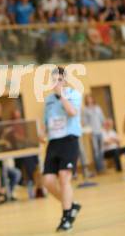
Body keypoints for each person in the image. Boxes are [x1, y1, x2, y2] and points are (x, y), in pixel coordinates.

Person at [41, 67, 82, 232]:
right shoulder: (49, 100)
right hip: (53, 142)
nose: (56, 83)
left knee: (64, 178)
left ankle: (66, 217)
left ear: (64, 80)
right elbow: (46, 120)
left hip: (69, 140)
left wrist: (62, 95)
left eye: (59, 80)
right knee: (48, 181)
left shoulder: (74, 94)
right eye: (54, 80)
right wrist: (42, 133)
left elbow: (72, 112)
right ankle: (72, 205)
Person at [82, 94, 105, 173]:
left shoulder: (98, 108)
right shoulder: (85, 110)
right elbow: (85, 122)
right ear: (86, 100)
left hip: (100, 131)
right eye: (88, 98)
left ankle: (103, 168)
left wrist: (104, 127)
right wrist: (89, 132)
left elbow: (102, 119)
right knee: (96, 151)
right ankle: (99, 169)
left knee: (101, 150)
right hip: (93, 133)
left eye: (90, 98)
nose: (89, 100)